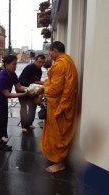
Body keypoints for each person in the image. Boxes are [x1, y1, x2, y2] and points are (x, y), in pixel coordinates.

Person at [37, 41, 78, 173]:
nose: (49, 54)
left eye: (50, 51)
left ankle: (59, 163)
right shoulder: (68, 61)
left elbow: (55, 89)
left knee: (58, 134)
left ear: (55, 50)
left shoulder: (60, 65)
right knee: (58, 133)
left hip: (59, 106)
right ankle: (57, 159)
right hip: (63, 104)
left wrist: (43, 88)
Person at [0, 55, 28, 151]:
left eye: (16, 64)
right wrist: (24, 94)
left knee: (3, 119)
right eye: (13, 64)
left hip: (2, 99)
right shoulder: (2, 77)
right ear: (6, 64)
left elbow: (19, 87)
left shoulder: (12, 74)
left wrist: (30, 89)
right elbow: (7, 94)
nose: (15, 66)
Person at [18, 55, 46, 133]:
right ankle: (23, 126)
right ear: (35, 60)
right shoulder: (29, 68)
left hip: (32, 90)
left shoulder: (39, 71)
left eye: (43, 62)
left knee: (33, 106)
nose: (41, 64)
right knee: (23, 107)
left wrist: (38, 85)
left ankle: (29, 123)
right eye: (39, 62)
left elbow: (37, 81)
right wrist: (37, 82)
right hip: (22, 89)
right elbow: (23, 80)